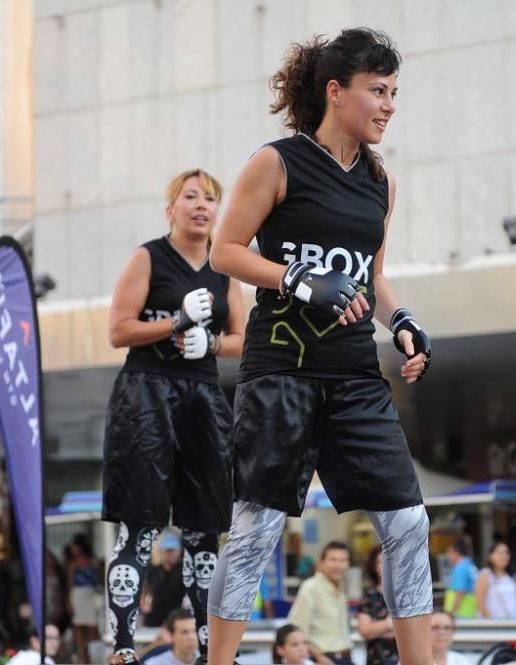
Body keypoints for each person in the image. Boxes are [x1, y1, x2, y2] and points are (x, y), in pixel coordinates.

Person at [205, 27, 433, 665]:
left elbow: (374, 275)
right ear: (337, 92)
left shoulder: (379, 181)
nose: (389, 105)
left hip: (357, 375)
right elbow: (226, 251)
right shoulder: (277, 163)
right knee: (255, 532)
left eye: (394, 92)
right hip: (280, 372)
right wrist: (299, 279)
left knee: (409, 525)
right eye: (377, 91)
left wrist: (404, 322)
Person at [103, 168, 245, 665]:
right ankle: (123, 646)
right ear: (171, 209)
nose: (202, 205)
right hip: (147, 394)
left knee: (205, 528)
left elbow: (245, 341)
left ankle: (211, 650)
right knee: (139, 524)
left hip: (205, 397)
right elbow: (118, 330)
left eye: (210, 198)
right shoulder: (148, 256)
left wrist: (212, 341)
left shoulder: (225, 266)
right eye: (191, 196)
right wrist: (175, 323)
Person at [286, 542, 354, 665]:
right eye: (333, 560)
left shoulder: (340, 590)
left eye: (344, 560)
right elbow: (295, 630)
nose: (339, 565)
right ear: (321, 562)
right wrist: (319, 657)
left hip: (345, 659)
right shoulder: (310, 588)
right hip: (324, 660)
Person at [358, 545, 398, 665]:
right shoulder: (369, 597)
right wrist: (393, 623)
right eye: (381, 562)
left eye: (390, 561)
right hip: (377, 659)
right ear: (374, 567)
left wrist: (378, 628)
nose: (386, 566)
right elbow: (365, 631)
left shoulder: (408, 596)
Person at [143, 533, 187, 628]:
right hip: (155, 618)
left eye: (173, 551)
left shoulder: (184, 570)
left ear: (179, 551)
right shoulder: (154, 570)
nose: (170, 554)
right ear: (162, 552)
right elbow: (147, 588)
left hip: (177, 617)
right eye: (167, 551)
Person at [67, 536, 100, 664]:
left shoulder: (92, 561)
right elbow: (69, 584)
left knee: (93, 628)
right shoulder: (72, 564)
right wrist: (69, 601)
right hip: (78, 595)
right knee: (79, 627)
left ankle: (93, 656)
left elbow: (98, 578)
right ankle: (82, 657)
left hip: (91, 595)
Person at [475, 541, 516, 620]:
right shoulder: (486, 574)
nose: (504, 556)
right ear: (490, 556)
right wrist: (491, 621)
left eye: (506, 553)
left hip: (514, 624)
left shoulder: (512, 577)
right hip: (493, 626)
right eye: (500, 553)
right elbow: (480, 603)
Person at [443, 540, 478, 618]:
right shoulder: (469, 565)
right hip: (470, 611)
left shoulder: (460, 568)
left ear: (457, 552)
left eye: (449, 552)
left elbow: (459, 592)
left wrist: (450, 614)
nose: (447, 556)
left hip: (461, 614)